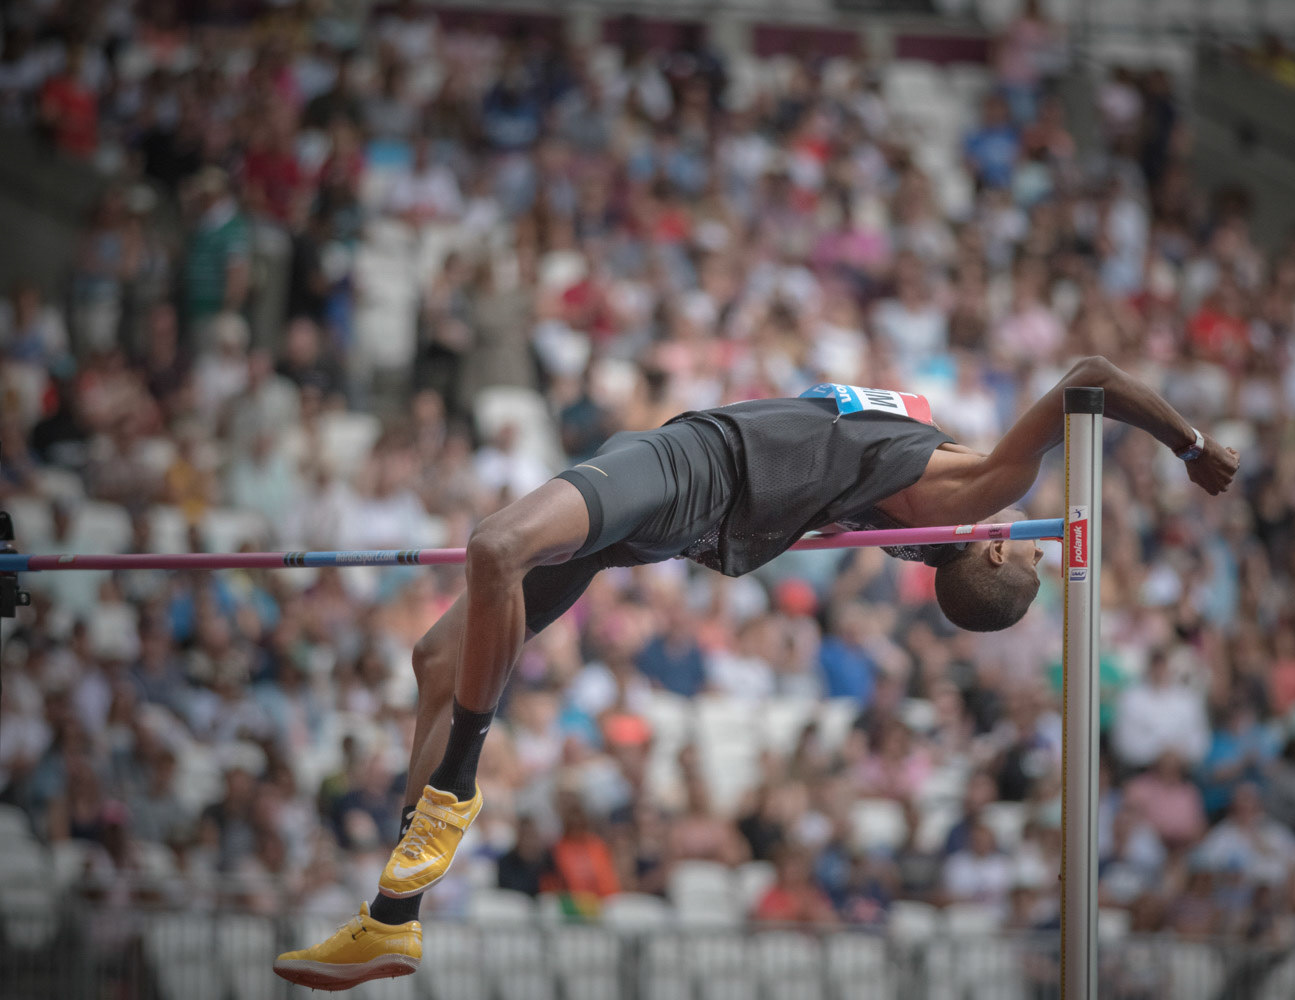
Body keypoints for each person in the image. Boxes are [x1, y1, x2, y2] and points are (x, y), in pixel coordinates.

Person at [274, 357, 1239, 987]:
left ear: (990, 555)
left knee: (494, 549)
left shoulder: (985, 488)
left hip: (701, 467)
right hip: (697, 499)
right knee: (437, 654)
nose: (1021, 539)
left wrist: (1191, 446)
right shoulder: (927, 516)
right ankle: (392, 916)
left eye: (1024, 553)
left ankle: (453, 796)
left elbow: (1090, 376)